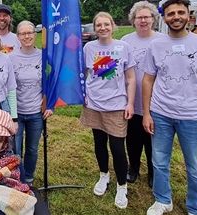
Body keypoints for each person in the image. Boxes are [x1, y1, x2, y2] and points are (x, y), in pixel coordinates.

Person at [142, 0, 197, 214]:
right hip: (161, 114)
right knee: (159, 161)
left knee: (196, 167)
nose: (176, 17)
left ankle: (195, 208)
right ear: (164, 17)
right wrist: (147, 113)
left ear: (188, 14)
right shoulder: (155, 45)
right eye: (170, 13)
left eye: (180, 12)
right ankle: (162, 200)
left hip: (195, 116)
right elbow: (148, 80)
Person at [80, 12, 136, 209]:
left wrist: (130, 103)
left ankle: (122, 185)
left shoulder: (123, 47)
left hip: (116, 106)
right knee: (99, 143)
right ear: (94, 28)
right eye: (99, 25)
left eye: (106, 24)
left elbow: (130, 78)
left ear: (113, 26)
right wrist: (83, 95)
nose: (102, 28)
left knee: (118, 148)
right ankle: (104, 175)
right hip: (94, 104)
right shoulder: (88, 47)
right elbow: (85, 74)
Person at [121, 1, 165, 188]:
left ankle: (153, 172)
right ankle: (134, 168)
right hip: (131, 101)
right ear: (133, 20)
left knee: (153, 142)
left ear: (154, 19)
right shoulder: (125, 41)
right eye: (140, 17)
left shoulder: (163, 40)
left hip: (157, 102)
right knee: (132, 139)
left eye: (147, 17)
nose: (143, 20)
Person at [9, 20, 53, 184]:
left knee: (32, 149)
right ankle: (15, 177)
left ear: (35, 34)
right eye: (23, 33)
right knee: (15, 149)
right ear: (18, 36)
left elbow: (50, 83)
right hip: (17, 112)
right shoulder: (11, 58)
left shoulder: (44, 56)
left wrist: (50, 105)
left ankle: (28, 177)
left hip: (36, 112)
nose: (27, 36)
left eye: (30, 33)